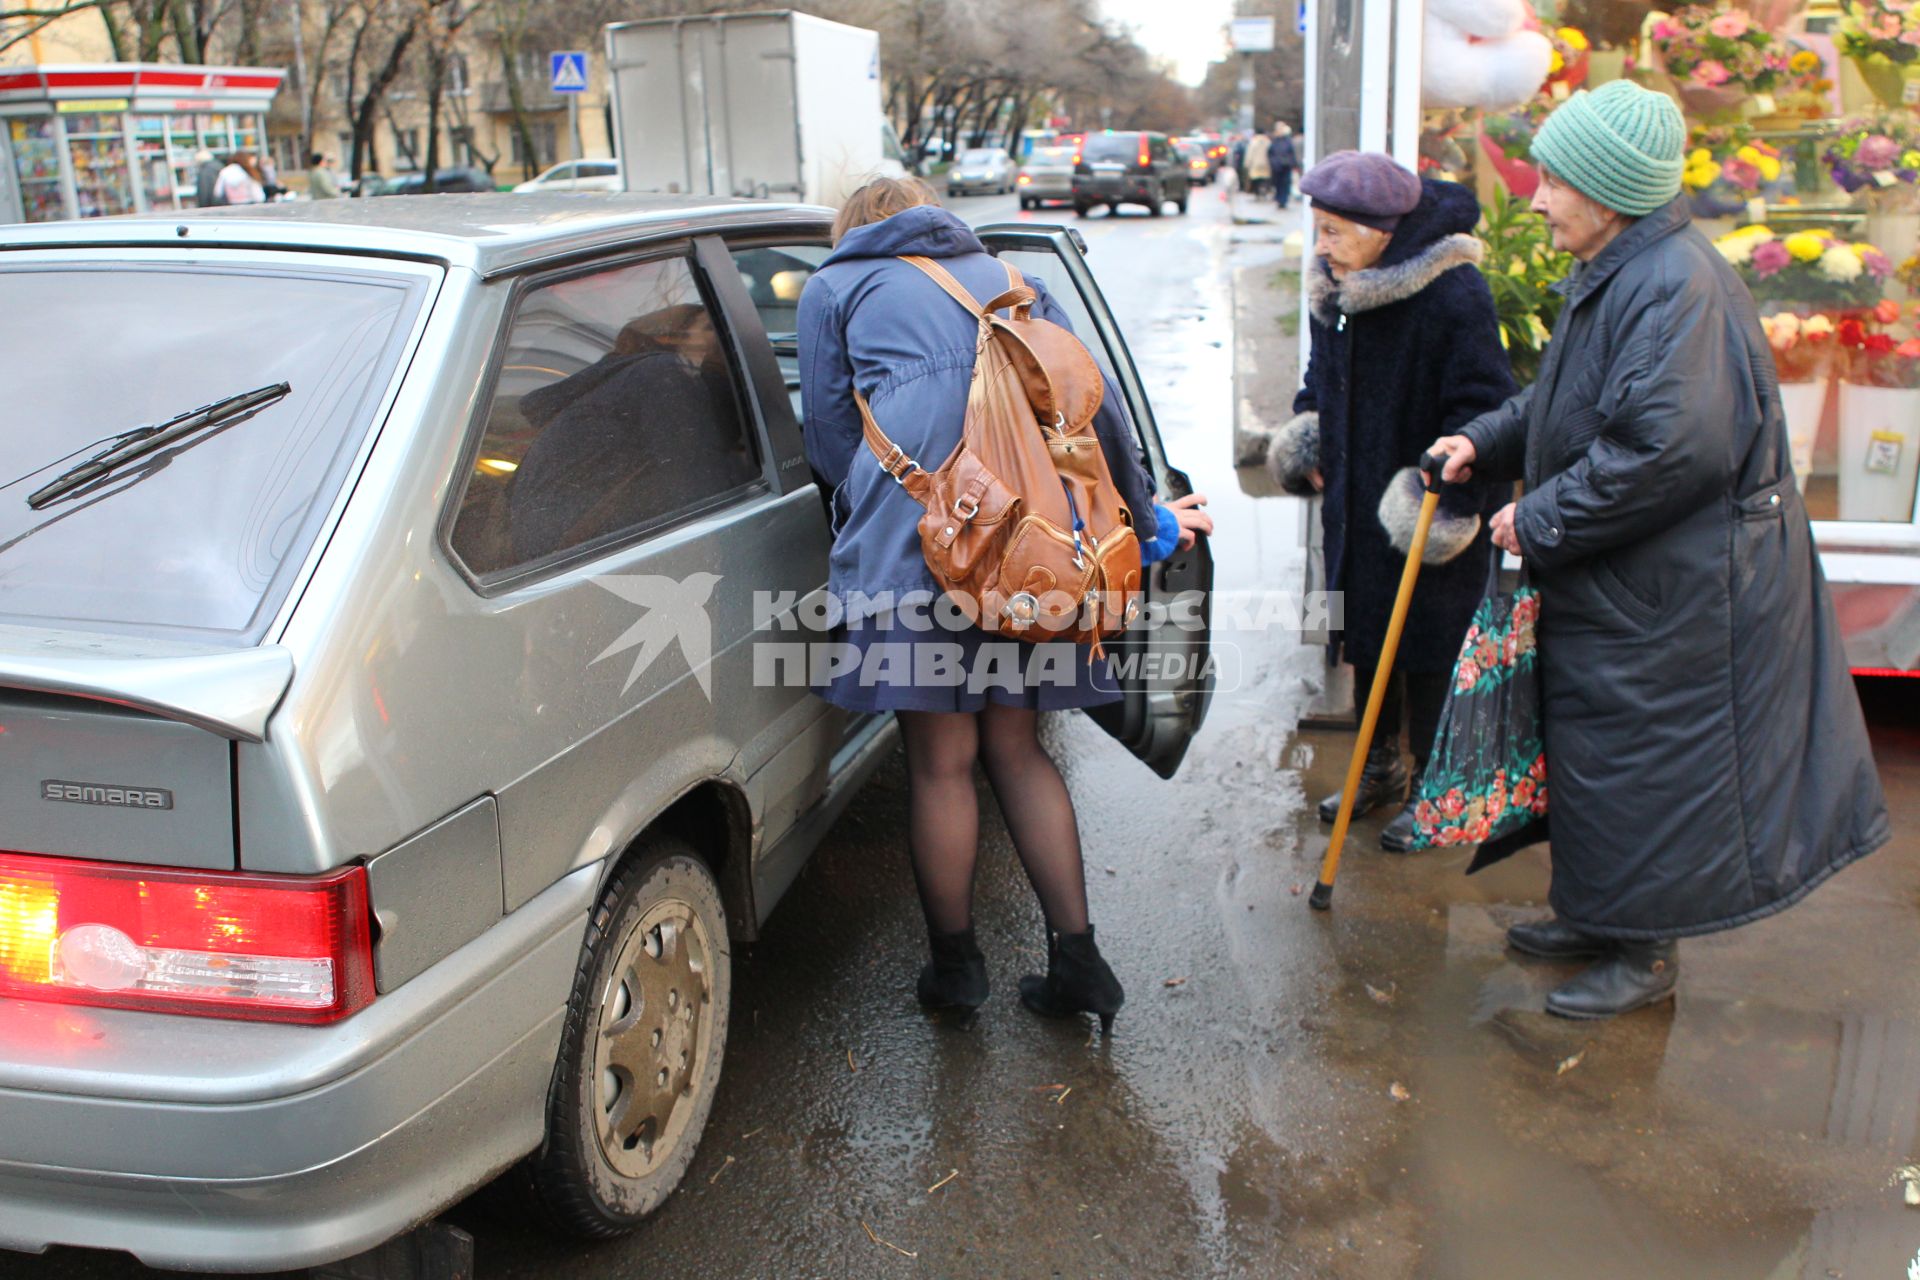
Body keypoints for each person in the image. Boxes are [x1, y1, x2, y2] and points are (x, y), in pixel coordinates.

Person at [1429, 80, 1889, 1019]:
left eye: (1553, 180)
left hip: (1679, 590)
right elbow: (1572, 401)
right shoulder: (1628, 270)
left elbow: (1668, 449)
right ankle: (1602, 914)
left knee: (1648, 762)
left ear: (1605, 192)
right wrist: (1489, 438)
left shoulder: (1675, 285)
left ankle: (1644, 955)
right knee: (1601, 750)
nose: (1536, 196)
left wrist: (1543, 514)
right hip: (1638, 578)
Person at [797, 177, 1213, 1034]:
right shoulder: (1009, 277)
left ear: (853, 229)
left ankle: (957, 974)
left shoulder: (835, 287)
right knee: (1018, 751)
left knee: (942, 765)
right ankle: (1080, 962)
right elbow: (1094, 420)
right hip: (1035, 552)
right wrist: (1146, 522)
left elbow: (832, 444)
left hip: (920, 551)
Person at [1268, 151, 1515, 851]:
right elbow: (1318, 379)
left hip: (1424, 504)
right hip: (1352, 498)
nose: (1322, 247)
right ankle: (1378, 766)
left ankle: (1434, 791)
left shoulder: (1452, 293)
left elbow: (1487, 407)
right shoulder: (1335, 287)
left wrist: (1446, 491)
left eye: (1335, 232)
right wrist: (1312, 437)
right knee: (1366, 639)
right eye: (1317, 228)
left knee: (1431, 651)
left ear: (1383, 231)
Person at [1269, 122, 1298, 210]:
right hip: (1277, 167)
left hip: (1285, 166)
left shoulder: (1287, 140)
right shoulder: (1274, 141)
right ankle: (1279, 199)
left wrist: (1292, 163)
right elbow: (1271, 153)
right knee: (1279, 184)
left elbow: (1291, 153)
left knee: (1285, 183)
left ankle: (1283, 200)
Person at [1244, 130, 1272, 198]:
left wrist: (1247, 163)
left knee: (1256, 178)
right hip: (1266, 163)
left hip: (1255, 164)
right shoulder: (1268, 142)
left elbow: (1249, 154)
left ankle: (1257, 192)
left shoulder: (1253, 142)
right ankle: (1263, 190)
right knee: (1264, 178)